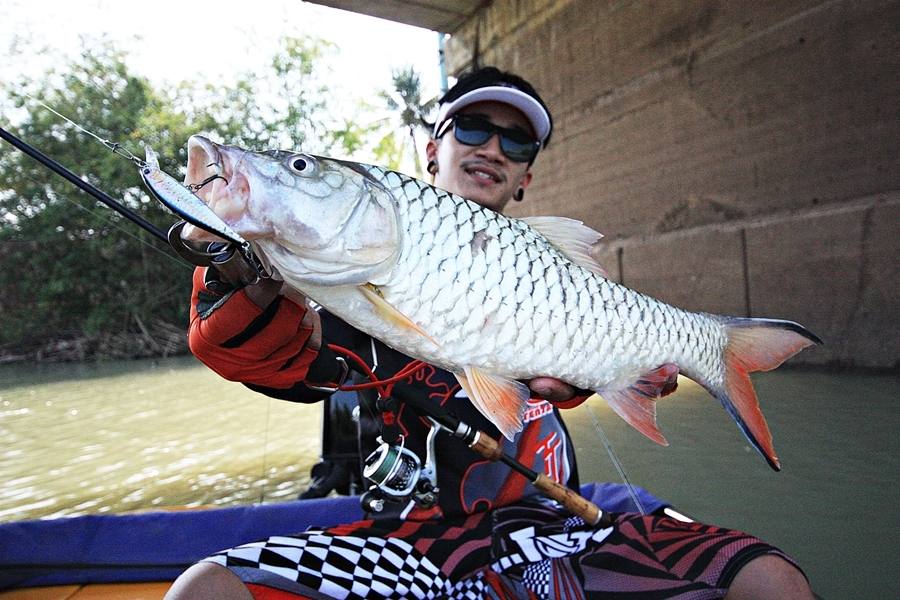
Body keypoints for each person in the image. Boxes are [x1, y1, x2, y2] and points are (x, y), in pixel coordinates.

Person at [165, 67, 813, 599]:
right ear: (431, 149)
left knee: (769, 580)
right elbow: (266, 353)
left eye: (516, 143)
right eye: (472, 127)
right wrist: (234, 268)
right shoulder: (336, 282)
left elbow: (567, 377)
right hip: (406, 539)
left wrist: (626, 376)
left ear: (526, 177)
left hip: (551, 523)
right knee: (204, 591)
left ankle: (711, 348)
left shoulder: (545, 268)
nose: (493, 149)